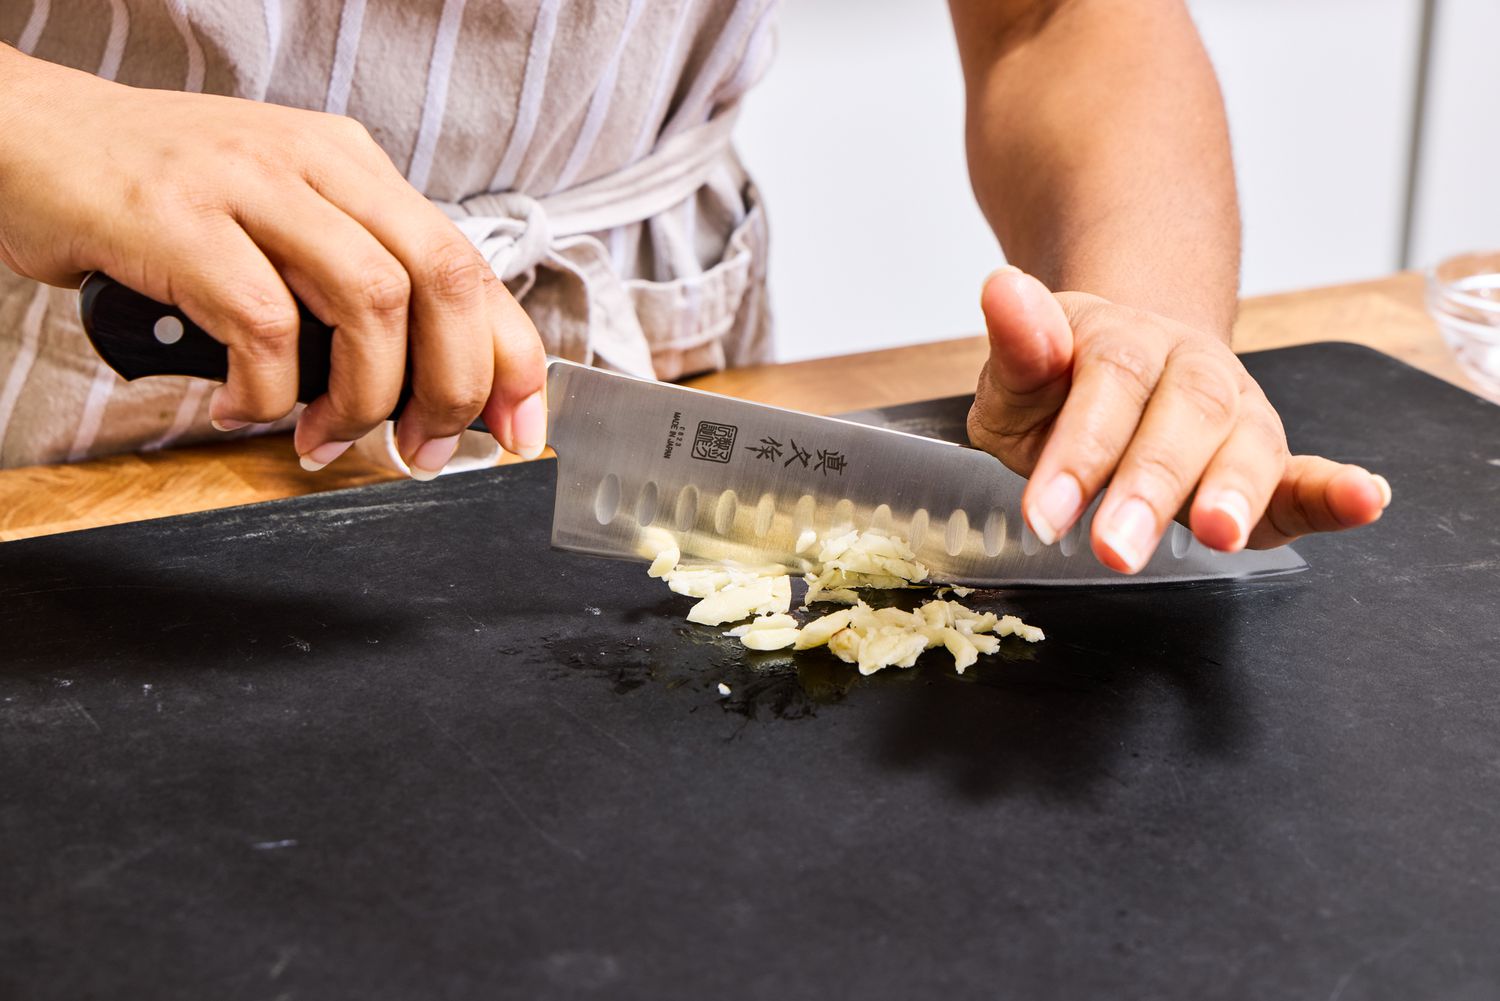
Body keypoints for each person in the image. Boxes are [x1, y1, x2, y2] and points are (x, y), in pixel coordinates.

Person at [0, 0, 1389, 574]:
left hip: (649, 375)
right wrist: (43, 128)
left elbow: (1058, 19)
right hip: (68, 383)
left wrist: (1145, 324)